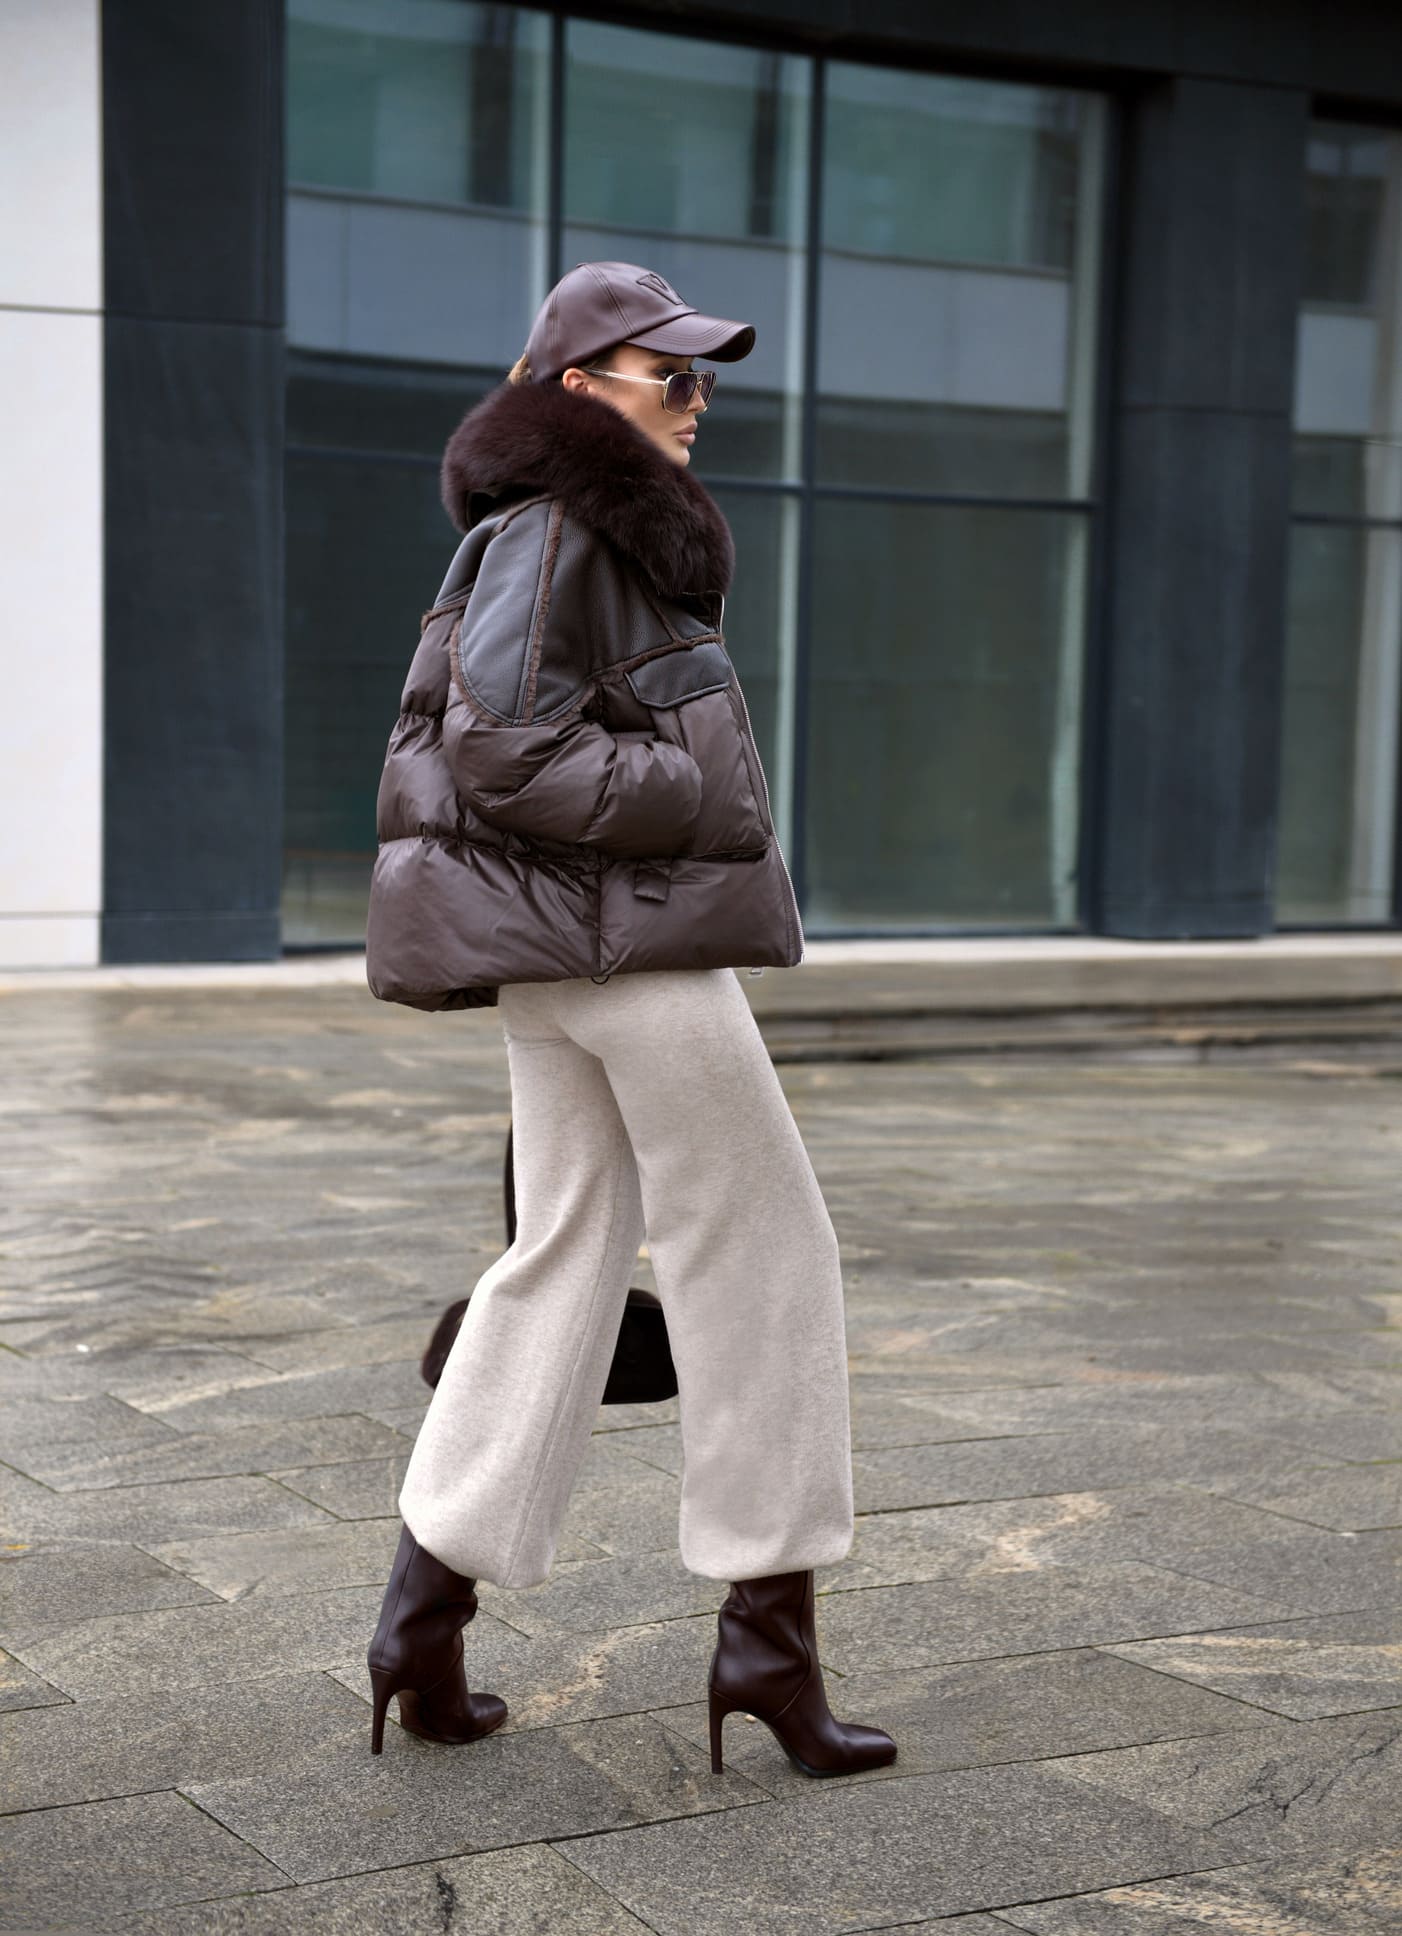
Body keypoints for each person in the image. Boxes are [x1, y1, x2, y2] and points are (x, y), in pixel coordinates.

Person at [363, 260, 896, 1780]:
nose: (697, 398)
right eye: (671, 374)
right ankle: (767, 1646)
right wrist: (692, 789)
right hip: (628, 955)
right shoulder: (562, 528)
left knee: (564, 1255)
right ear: (577, 387)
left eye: (703, 374)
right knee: (769, 1252)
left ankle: (421, 1618)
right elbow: (503, 748)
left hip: (571, 958)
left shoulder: (562, 529)